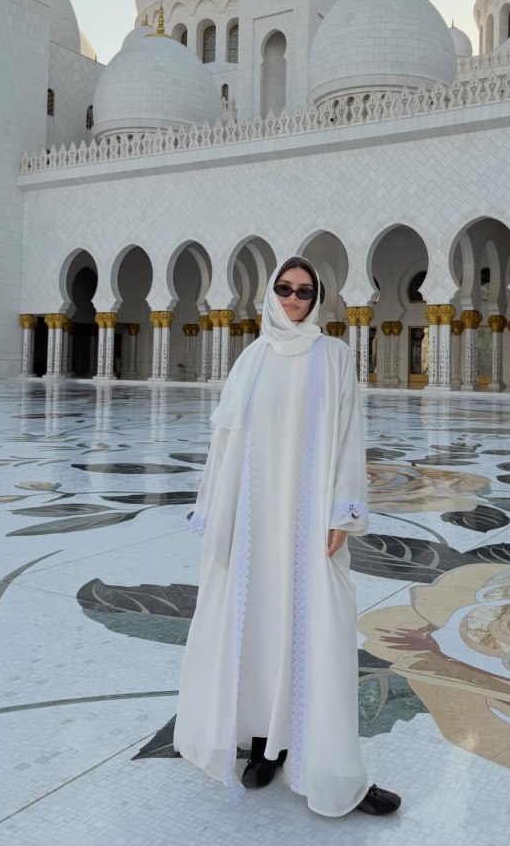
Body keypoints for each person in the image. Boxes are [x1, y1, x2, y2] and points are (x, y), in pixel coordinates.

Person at [174, 257, 401, 818]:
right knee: (254, 626)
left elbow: (349, 438)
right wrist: (217, 520)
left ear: (316, 297)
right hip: (253, 522)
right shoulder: (251, 360)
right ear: (270, 295)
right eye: (285, 290)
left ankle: (334, 769)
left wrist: (342, 513)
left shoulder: (335, 356)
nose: (294, 300)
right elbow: (224, 447)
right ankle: (261, 743)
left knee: (320, 627)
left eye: (304, 292)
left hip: (309, 523)